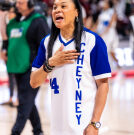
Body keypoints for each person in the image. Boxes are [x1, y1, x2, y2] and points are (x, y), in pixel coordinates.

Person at [30, 0, 111, 135]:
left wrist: (94, 124)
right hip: (57, 129)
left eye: (63, 6)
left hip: (84, 128)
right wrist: (50, 64)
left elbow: (103, 85)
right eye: (55, 7)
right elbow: (34, 82)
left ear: (76, 13)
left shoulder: (93, 41)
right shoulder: (46, 43)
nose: (57, 10)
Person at [1, 0, 50, 134]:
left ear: (30, 3)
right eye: (17, 3)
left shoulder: (38, 21)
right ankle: (38, 131)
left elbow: (46, 45)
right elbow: (5, 36)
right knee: (28, 101)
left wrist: (45, 69)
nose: (17, 5)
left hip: (31, 69)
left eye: (21, 3)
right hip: (17, 67)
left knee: (23, 102)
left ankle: (15, 132)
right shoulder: (16, 21)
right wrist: (1, 15)